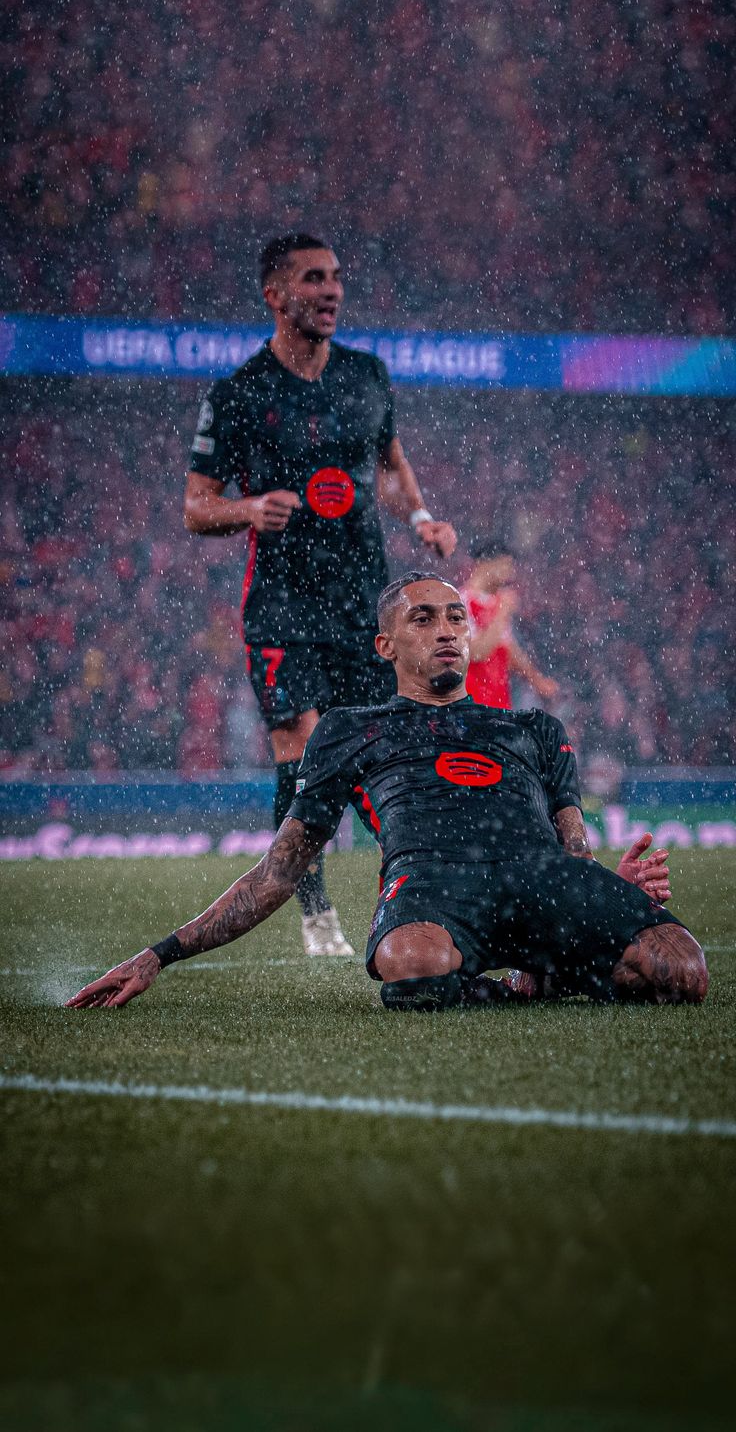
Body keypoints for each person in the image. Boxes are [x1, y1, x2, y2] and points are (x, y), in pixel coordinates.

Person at [67, 574, 707, 1014]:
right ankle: (530, 983)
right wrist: (160, 955)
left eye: (455, 617)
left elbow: (574, 850)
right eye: (423, 619)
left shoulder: (534, 727)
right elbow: (279, 872)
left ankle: (540, 973)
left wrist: (604, 885)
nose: (446, 630)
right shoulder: (351, 729)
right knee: (411, 964)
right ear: (385, 645)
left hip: (542, 878)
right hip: (432, 885)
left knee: (684, 971)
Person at [184, 233, 457, 957]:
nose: (331, 290)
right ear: (276, 296)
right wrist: (247, 509)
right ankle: (315, 913)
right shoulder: (239, 393)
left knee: (381, 746)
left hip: (364, 605)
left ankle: (411, 892)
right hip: (282, 608)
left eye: (335, 277)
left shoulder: (367, 375)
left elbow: (391, 468)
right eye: (313, 278)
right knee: (302, 750)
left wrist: (422, 519)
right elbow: (196, 507)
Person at [463, 539, 558, 710]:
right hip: (472, 706)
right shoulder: (461, 601)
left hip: (499, 704)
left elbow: (507, 648)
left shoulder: (495, 602)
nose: (510, 574)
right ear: (484, 564)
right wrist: (502, 612)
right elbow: (476, 653)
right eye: (505, 566)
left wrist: (537, 681)